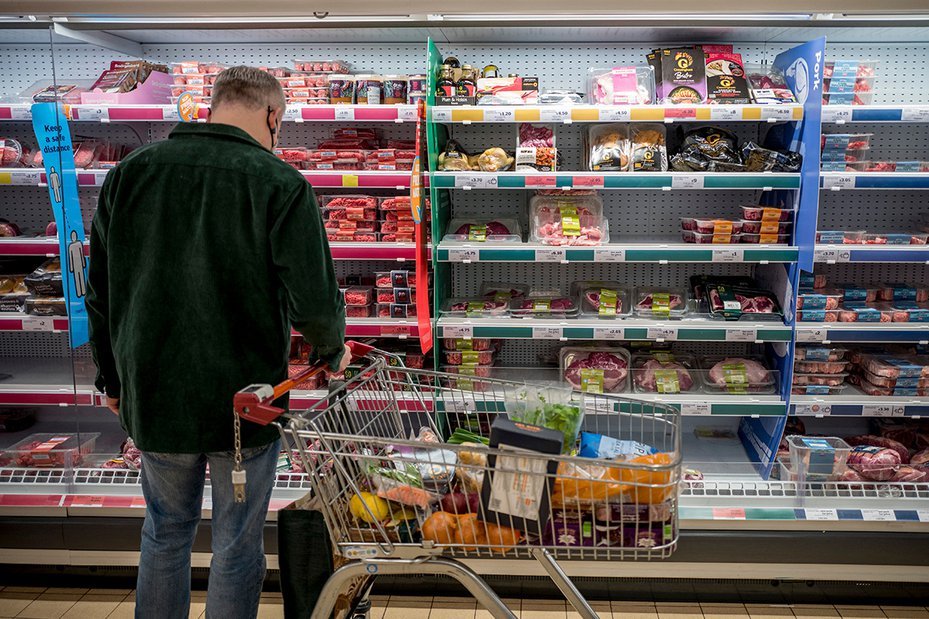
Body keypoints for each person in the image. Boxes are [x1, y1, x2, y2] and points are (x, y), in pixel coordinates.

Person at [86, 65, 349, 619]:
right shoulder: (279, 183)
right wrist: (331, 350)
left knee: (164, 532)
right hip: (245, 402)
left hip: (154, 391)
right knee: (235, 544)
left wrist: (112, 379)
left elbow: (101, 294)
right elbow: (314, 295)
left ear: (214, 104)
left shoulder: (130, 173)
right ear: (273, 115)